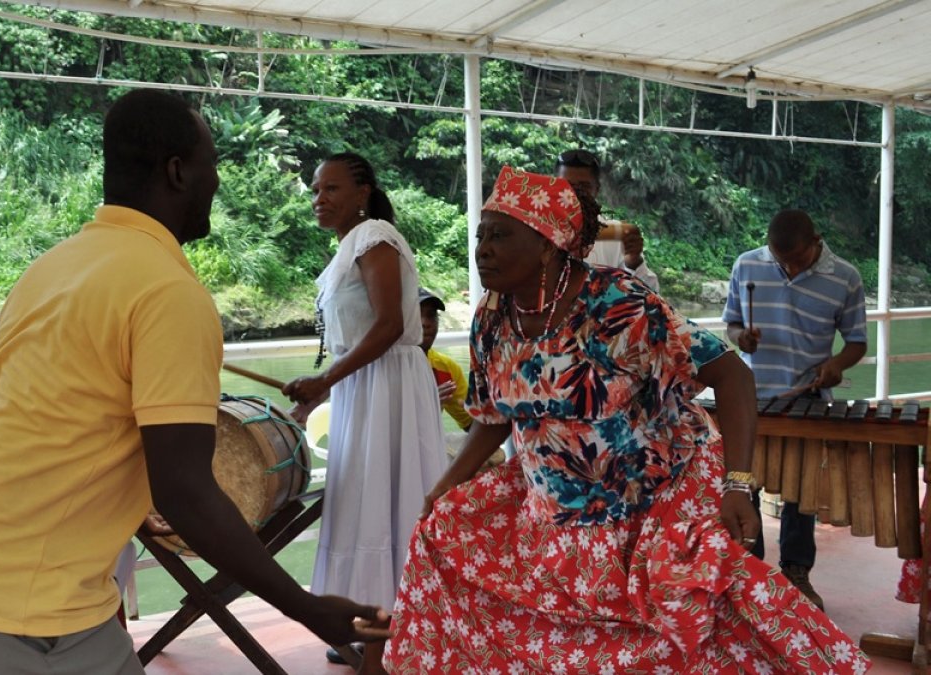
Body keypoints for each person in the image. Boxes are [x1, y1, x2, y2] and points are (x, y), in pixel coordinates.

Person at [0, 90, 386, 675]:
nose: (216, 181)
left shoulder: (61, 260)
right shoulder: (169, 292)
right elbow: (185, 490)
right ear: (178, 171)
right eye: (212, 164)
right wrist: (305, 607)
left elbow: (58, 408)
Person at [382, 167, 869, 673]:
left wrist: (738, 485)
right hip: (556, 518)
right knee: (470, 560)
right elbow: (495, 416)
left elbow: (731, 376)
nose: (483, 247)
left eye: (501, 234)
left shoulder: (618, 303)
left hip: (656, 506)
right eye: (482, 234)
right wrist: (445, 486)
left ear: (549, 245)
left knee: (701, 638)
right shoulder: (491, 318)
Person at [282, 151, 448, 674]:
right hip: (364, 390)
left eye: (331, 189)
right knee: (363, 506)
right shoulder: (347, 248)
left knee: (387, 507)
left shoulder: (376, 234)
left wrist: (326, 379)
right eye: (314, 190)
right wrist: (322, 393)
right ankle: (368, 626)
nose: (319, 200)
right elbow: (356, 342)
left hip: (389, 390)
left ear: (363, 192)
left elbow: (385, 331)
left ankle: (386, 644)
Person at [723, 208, 868, 609]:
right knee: (742, 486)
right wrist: (742, 338)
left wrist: (836, 365)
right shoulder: (747, 264)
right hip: (750, 398)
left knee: (799, 494)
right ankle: (750, 575)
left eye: (797, 259)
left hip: (805, 398)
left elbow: (856, 341)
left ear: (816, 241)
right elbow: (731, 324)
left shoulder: (846, 277)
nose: (788, 266)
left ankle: (796, 574)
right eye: (780, 258)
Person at [556, 148, 660, 292]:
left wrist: (633, 263)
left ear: (596, 190)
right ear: (553, 187)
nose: (574, 193)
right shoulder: (536, 234)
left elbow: (650, 296)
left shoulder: (617, 237)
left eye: (584, 187)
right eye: (567, 185)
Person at [417, 287, 470, 432]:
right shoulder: (386, 367)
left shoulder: (446, 368)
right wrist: (427, 404)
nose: (425, 323)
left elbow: (470, 423)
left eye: (431, 315)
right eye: (416, 315)